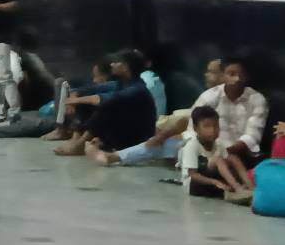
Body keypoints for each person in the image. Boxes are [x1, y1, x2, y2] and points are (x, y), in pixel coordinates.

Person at [96, 57, 227, 167]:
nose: (206, 75)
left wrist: (162, 137)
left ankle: (114, 156)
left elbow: (187, 121)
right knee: (161, 142)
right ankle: (114, 156)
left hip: (218, 150)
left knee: (163, 143)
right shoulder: (209, 95)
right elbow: (189, 121)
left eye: (211, 72)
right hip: (203, 144)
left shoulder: (213, 96)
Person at [191, 58, 268, 203]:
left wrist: (228, 150)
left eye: (241, 75)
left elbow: (253, 135)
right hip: (208, 155)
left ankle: (251, 190)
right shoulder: (209, 97)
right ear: (222, 76)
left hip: (242, 154)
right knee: (220, 161)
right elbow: (192, 129)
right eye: (231, 74)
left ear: (247, 77)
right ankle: (237, 189)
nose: (237, 79)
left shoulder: (257, 99)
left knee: (235, 160)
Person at [176, 106, 231, 199]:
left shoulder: (219, 145)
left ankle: (248, 188)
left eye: (216, 126)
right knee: (218, 160)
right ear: (195, 128)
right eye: (207, 126)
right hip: (194, 184)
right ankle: (236, 188)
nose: (212, 130)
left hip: (213, 180)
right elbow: (193, 175)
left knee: (233, 159)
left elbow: (227, 166)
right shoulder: (192, 145)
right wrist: (214, 182)